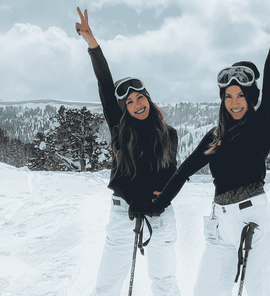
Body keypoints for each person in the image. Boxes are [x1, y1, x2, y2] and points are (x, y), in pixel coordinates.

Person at [130, 0, 270, 295]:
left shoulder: (263, 123)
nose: (234, 102)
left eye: (240, 95)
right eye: (228, 96)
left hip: (255, 222)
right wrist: (157, 206)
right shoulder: (215, 136)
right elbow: (184, 171)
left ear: (251, 97)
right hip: (221, 226)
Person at [75, 7, 181, 296]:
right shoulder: (119, 130)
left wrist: (159, 199)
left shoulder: (168, 133)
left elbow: (173, 173)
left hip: (160, 215)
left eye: (140, 97)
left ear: (147, 97)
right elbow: (105, 85)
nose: (137, 104)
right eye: (130, 102)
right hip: (123, 214)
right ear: (123, 109)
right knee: (107, 286)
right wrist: (92, 44)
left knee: (165, 283)